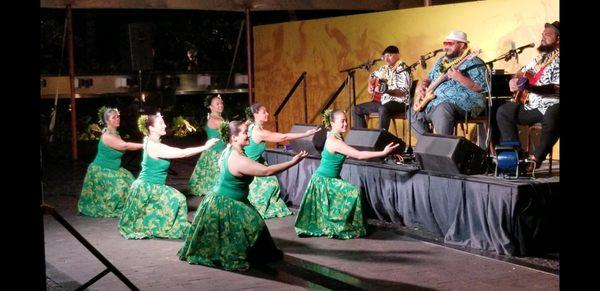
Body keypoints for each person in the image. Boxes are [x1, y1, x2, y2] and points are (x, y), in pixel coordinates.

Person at [178, 121, 308, 271]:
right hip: (225, 202)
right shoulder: (237, 158)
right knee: (254, 228)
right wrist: (293, 162)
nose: (248, 135)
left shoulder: (229, 149)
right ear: (234, 138)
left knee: (257, 229)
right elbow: (267, 171)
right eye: (245, 133)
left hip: (227, 199)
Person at [295, 109, 399, 239]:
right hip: (324, 181)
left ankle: (342, 222)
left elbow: (347, 152)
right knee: (353, 192)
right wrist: (382, 153)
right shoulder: (334, 141)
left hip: (329, 179)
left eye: (346, 121)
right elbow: (359, 155)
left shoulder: (335, 136)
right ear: (332, 123)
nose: (345, 124)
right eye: (342, 121)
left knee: (351, 192)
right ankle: (346, 225)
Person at [118, 112, 218, 239]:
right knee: (178, 198)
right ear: (151, 128)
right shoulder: (154, 146)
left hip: (151, 186)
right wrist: (205, 147)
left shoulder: (150, 140)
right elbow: (181, 153)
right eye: (161, 123)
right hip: (148, 188)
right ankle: (164, 226)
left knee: (177, 198)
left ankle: (161, 222)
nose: (165, 125)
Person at [496, 21, 560, 171]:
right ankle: (515, 158)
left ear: (558, 39)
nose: (543, 37)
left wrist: (531, 88)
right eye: (543, 34)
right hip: (534, 105)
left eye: (548, 34)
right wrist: (514, 81)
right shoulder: (540, 58)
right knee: (504, 111)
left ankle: (536, 159)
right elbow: (522, 73)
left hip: (554, 103)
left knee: (553, 114)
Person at [244, 103, 320, 219]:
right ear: (255, 114)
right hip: (250, 167)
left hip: (256, 162)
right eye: (264, 112)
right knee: (271, 183)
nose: (267, 114)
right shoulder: (258, 132)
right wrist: (305, 134)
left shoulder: (250, 126)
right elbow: (283, 137)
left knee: (272, 180)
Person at [411, 30, 488, 139]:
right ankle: (427, 146)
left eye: (450, 44)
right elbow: (428, 78)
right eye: (445, 43)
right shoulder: (442, 60)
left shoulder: (474, 62)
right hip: (432, 101)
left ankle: (443, 150)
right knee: (412, 111)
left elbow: (480, 87)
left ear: (462, 45)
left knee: (443, 109)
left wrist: (459, 77)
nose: (446, 47)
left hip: (462, 103)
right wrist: (423, 85)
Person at [78, 107, 143, 218]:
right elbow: (125, 145)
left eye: (118, 116)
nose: (117, 119)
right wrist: (145, 145)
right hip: (101, 170)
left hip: (115, 169)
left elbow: (124, 144)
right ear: (107, 121)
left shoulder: (115, 133)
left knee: (132, 185)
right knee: (120, 188)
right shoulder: (107, 136)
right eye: (114, 117)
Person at [352, 45, 412, 131]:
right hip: (382, 101)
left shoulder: (403, 69)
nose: (387, 59)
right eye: (385, 56)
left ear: (398, 55)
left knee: (383, 108)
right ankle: (362, 138)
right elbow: (372, 75)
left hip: (399, 102)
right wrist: (370, 85)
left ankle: (380, 139)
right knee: (356, 109)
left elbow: (403, 92)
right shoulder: (384, 68)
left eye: (390, 55)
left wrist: (385, 91)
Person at [188, 95, 227, 196]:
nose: (220, 105)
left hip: (218, 151)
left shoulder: (218, 117)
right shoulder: (215, 120)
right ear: (211, 107)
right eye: (217, 104)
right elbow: (231, 130)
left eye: (221, 103)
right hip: (215, 154)